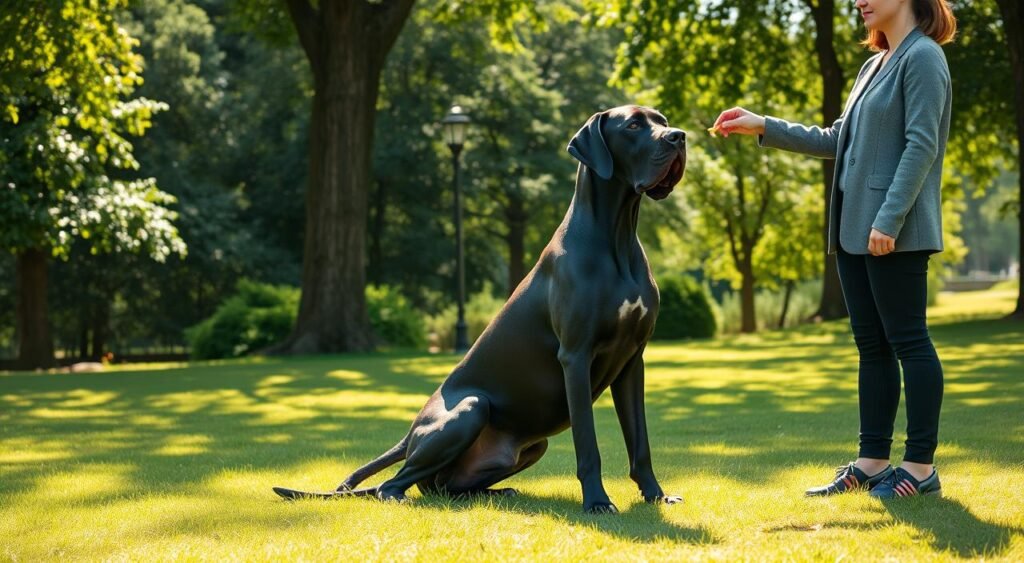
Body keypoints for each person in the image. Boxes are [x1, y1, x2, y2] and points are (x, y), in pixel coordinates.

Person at [712, 0, 956, 498]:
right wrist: (764, 125)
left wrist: (889, 219)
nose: (858, 2)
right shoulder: (874, 64)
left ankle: (920, 469)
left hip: (894, 232)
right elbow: (838, 139)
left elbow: (921, 144)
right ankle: (871, 461)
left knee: (910, 342)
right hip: (853, 231)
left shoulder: (924, 57)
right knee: (873, 348)